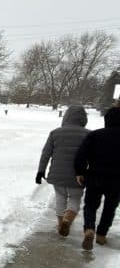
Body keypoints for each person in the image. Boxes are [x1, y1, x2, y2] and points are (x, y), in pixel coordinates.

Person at [36, 106, 89, 236]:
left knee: (60, 198)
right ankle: (68, 218)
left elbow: (46, 153)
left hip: (57, 175)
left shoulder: (55, 133)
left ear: (66, 117)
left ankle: (60, 223)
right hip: (78, 176)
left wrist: (40, 171)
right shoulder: (89, 134)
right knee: (75, 198)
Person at [74, 106, 120, 250]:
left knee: (91, 205)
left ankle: (89, 229)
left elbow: (81, 155)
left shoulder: (95, 135)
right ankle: (101, 234)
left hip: (95, 176)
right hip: (117, 180)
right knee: (110, 207)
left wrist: (80, 172)